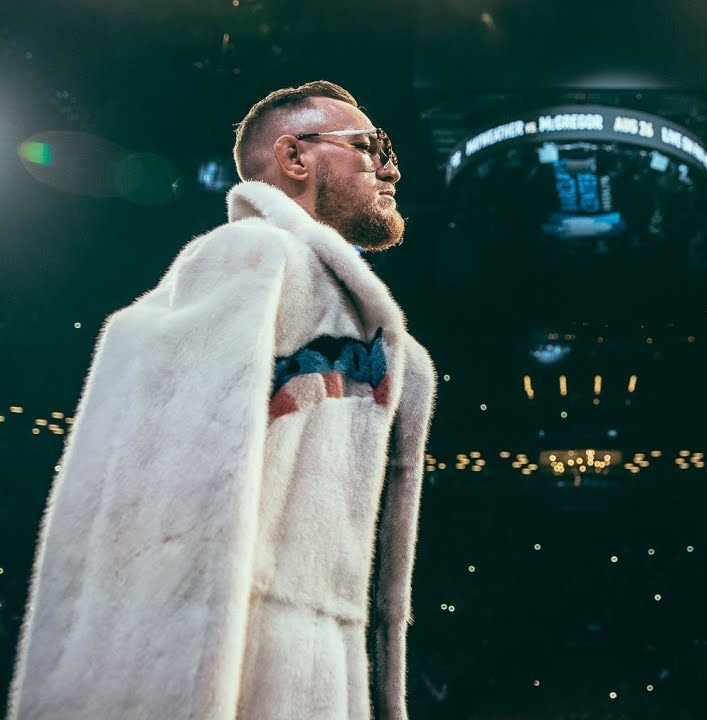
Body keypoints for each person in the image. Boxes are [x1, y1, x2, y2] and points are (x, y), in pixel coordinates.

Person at [7, 81, 436, 720]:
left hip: (320, 674)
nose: (391, 168)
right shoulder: (249, 258)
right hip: (242, 677)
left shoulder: (362, 320)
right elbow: (165, 517)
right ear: (295, 157)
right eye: (372, 147)